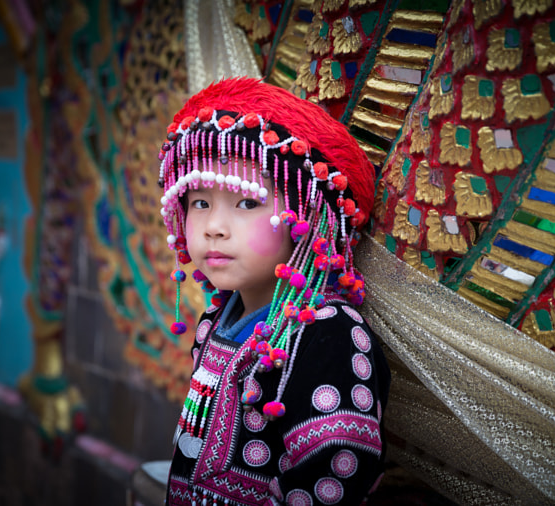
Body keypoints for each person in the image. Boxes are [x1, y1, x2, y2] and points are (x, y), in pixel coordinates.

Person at [156, 77, 391, 506]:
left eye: (247, 202)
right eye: (199, 202)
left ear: (309, 217)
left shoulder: (330, 336)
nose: (213, 227)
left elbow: (330, 482)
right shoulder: (217, 319)